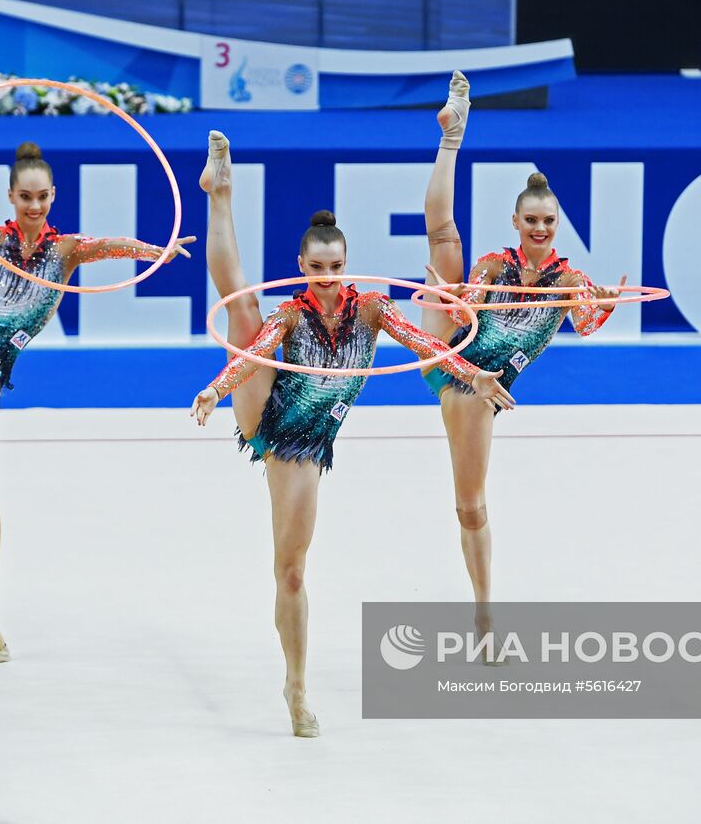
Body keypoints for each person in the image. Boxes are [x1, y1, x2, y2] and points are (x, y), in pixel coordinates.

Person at [191, 131, 513, 736]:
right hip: (273, 419)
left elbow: (425, 343)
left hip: (313, 442)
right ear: (301, 267)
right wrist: (216, 389)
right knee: (242, 313)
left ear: (348, 264)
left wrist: (473, 374)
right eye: (316, 270)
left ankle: (292, 682)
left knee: (292, 569)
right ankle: (221, 193)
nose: (327, 279)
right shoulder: (290, 314)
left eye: (336, 268)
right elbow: (254, 351)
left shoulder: (372, 309)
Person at [0, 41, 194, 662]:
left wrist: (157, 249)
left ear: (53, 197)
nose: (33, 207)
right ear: (10, 199)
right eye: (24, 198)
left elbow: (111, 246)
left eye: (42, 198)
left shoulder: (66, 250)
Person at [416, 73, 621, 639]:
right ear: (516, 222)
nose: (539, 228)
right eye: (531, 220)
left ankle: (482, 610)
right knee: (443, 243)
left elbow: (586, 326)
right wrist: (451, 295)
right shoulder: (493, 262)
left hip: (489, 381)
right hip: (460, 364)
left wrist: (600, 300)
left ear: (557, 225)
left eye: (548, 222)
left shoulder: (567, 279)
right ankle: (452, 135)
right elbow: (471, 309)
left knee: (469, 509)